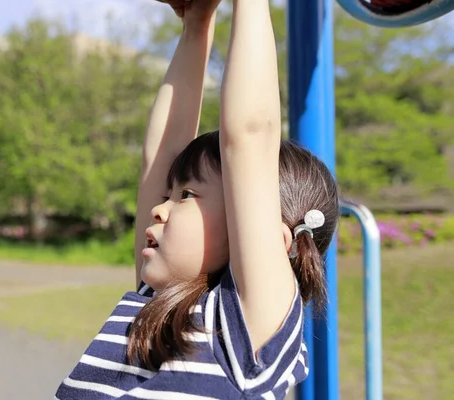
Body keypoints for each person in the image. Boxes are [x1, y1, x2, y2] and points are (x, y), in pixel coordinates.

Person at [56, 0, 339, 398]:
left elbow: (249, 135)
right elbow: (160, 155)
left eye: (186, 195)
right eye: (170, 193)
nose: (158, 207)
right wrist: (196, 21)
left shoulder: (241, 330)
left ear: (272, 242)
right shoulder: (157, 299)